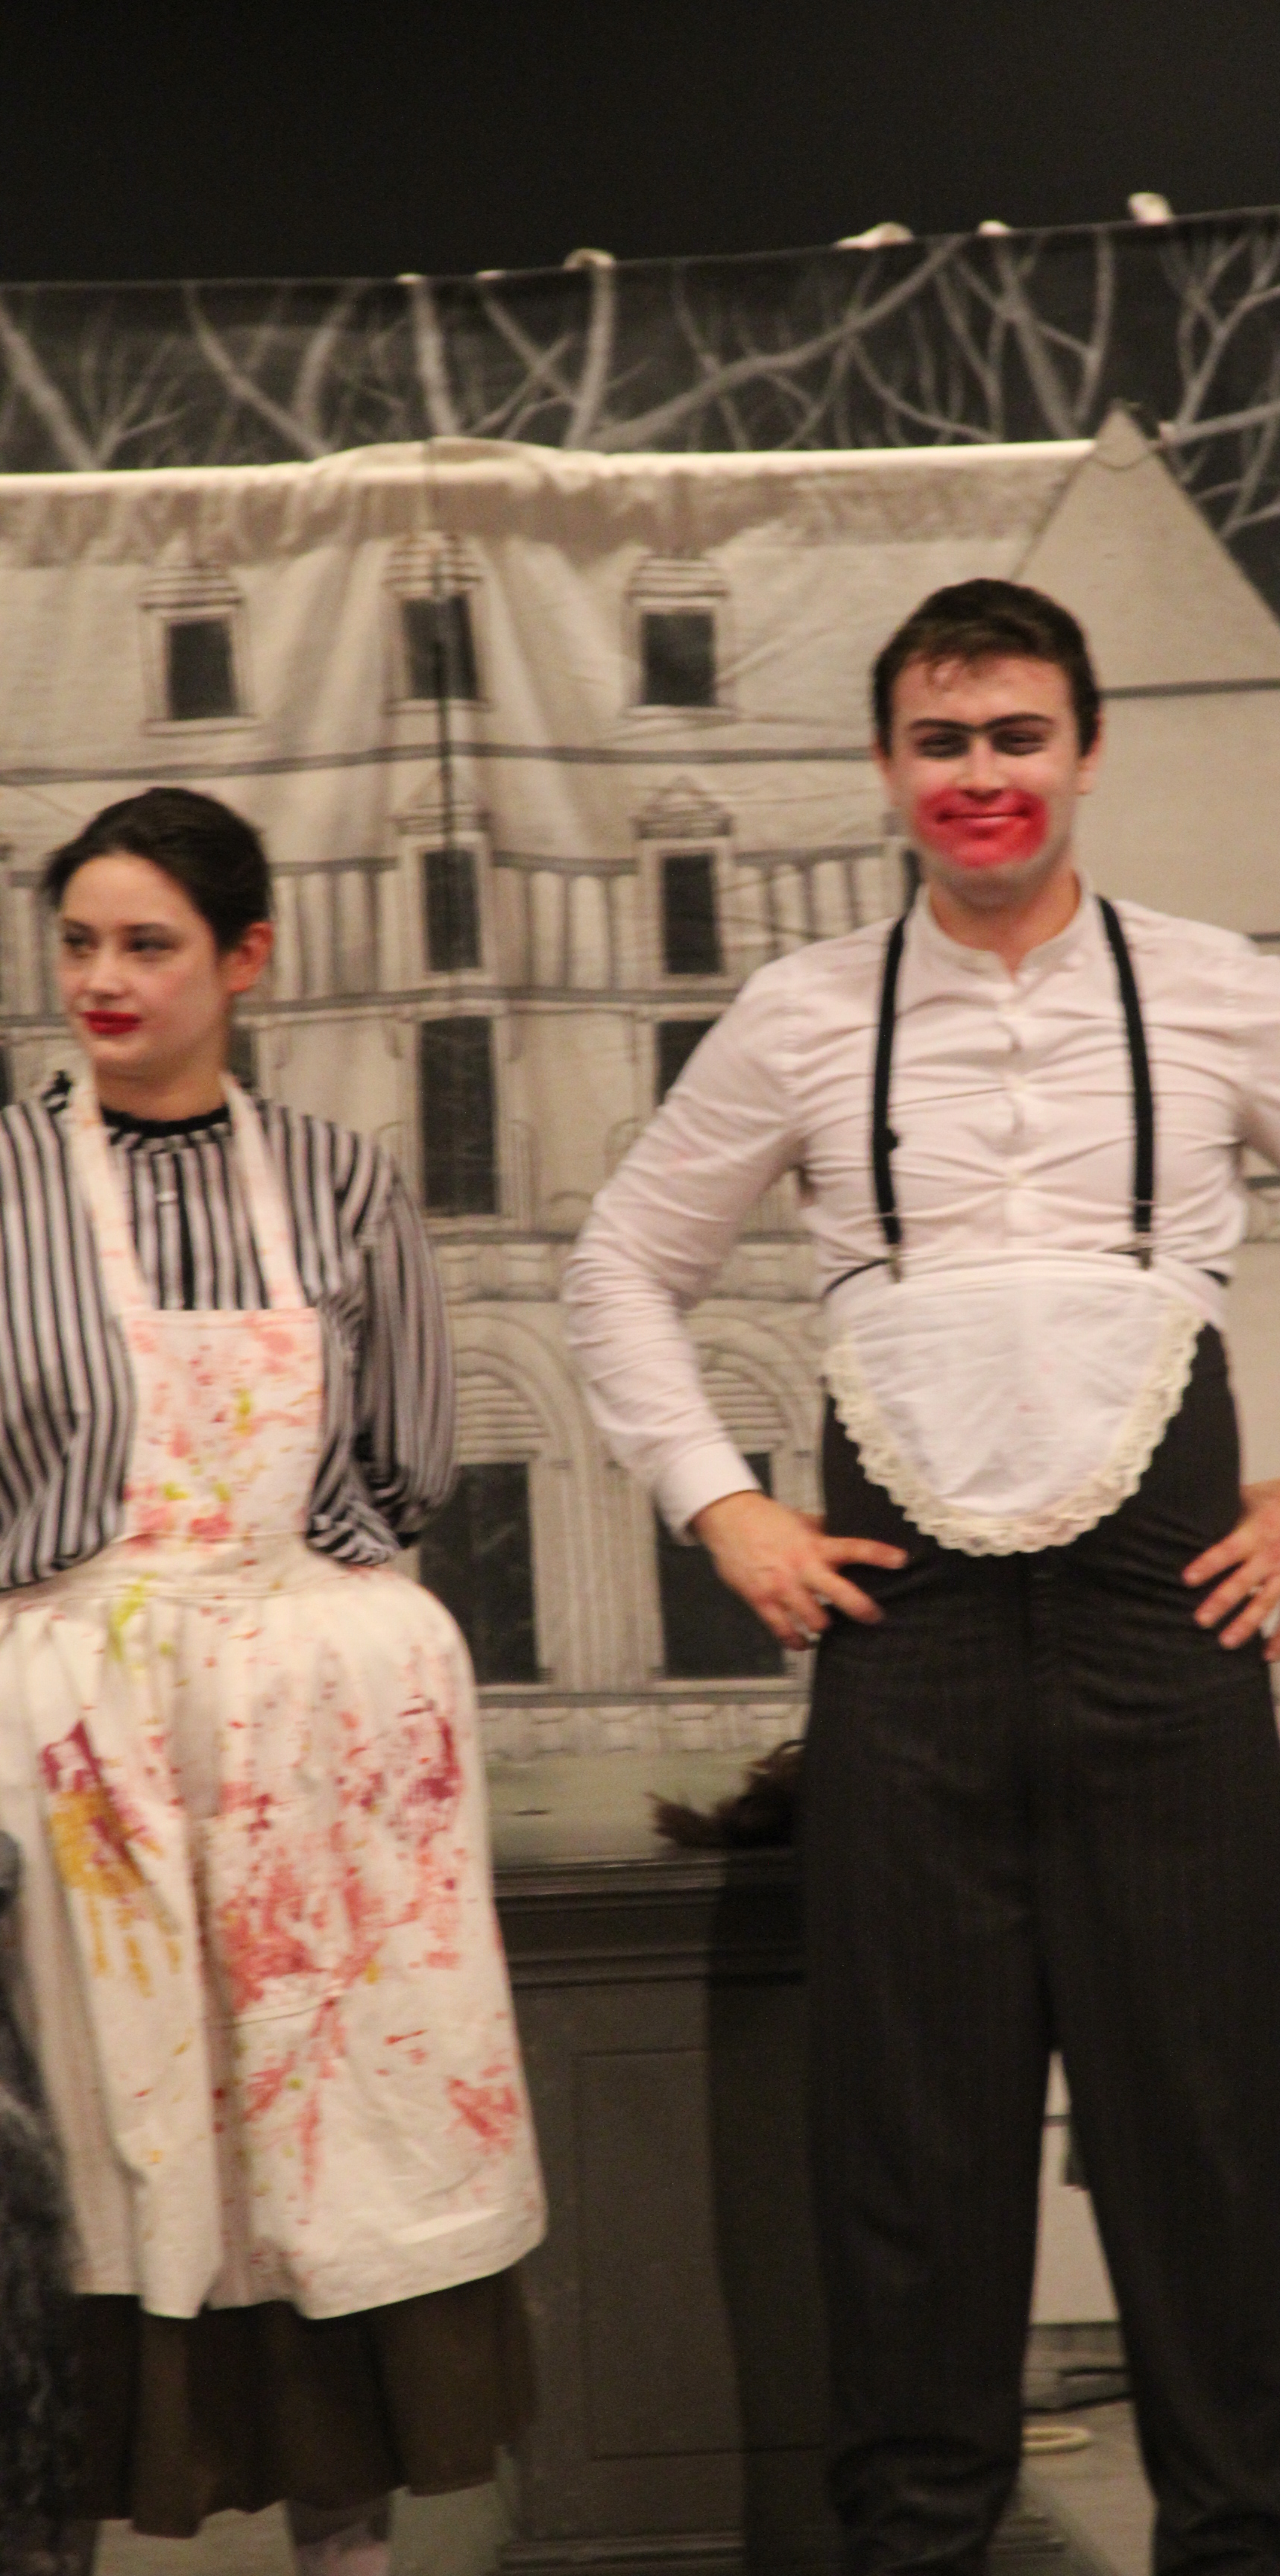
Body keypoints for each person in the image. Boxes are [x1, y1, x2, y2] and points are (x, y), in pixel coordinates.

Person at [564, 580, 1280, 2576]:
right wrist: (723, 1506)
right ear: (887, 764)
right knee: (911, 2177)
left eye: (1015, 736)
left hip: (1166, 1644)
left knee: (1208, 2160)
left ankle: (1231, 2545)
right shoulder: (803, 1012)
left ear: (1083, 749)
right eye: (941, 741)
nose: (980, 775)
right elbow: (621, 1264)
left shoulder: (1216, 988)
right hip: (914, 1666)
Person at [0, 789, 543, 2576]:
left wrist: (282, 1618)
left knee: (328, 2132)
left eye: (147, 944)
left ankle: (348, 2547)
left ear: (245, 960)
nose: (103, 977)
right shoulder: (5, 1185)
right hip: (75, 1733)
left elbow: (402, 1464)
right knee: (103, 2139)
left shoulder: (338, 1181)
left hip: (305, 1733)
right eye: (79, 942)